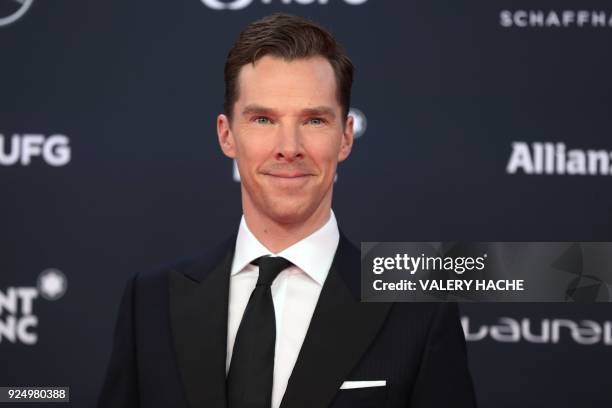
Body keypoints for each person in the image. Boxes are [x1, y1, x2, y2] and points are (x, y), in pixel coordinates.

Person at [98, 13, 477, 408]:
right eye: (263, 119)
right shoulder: (152, 301)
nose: (289, 147)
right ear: (227, 135)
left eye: (314, 120)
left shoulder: (418, 309)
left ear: (345, 137)